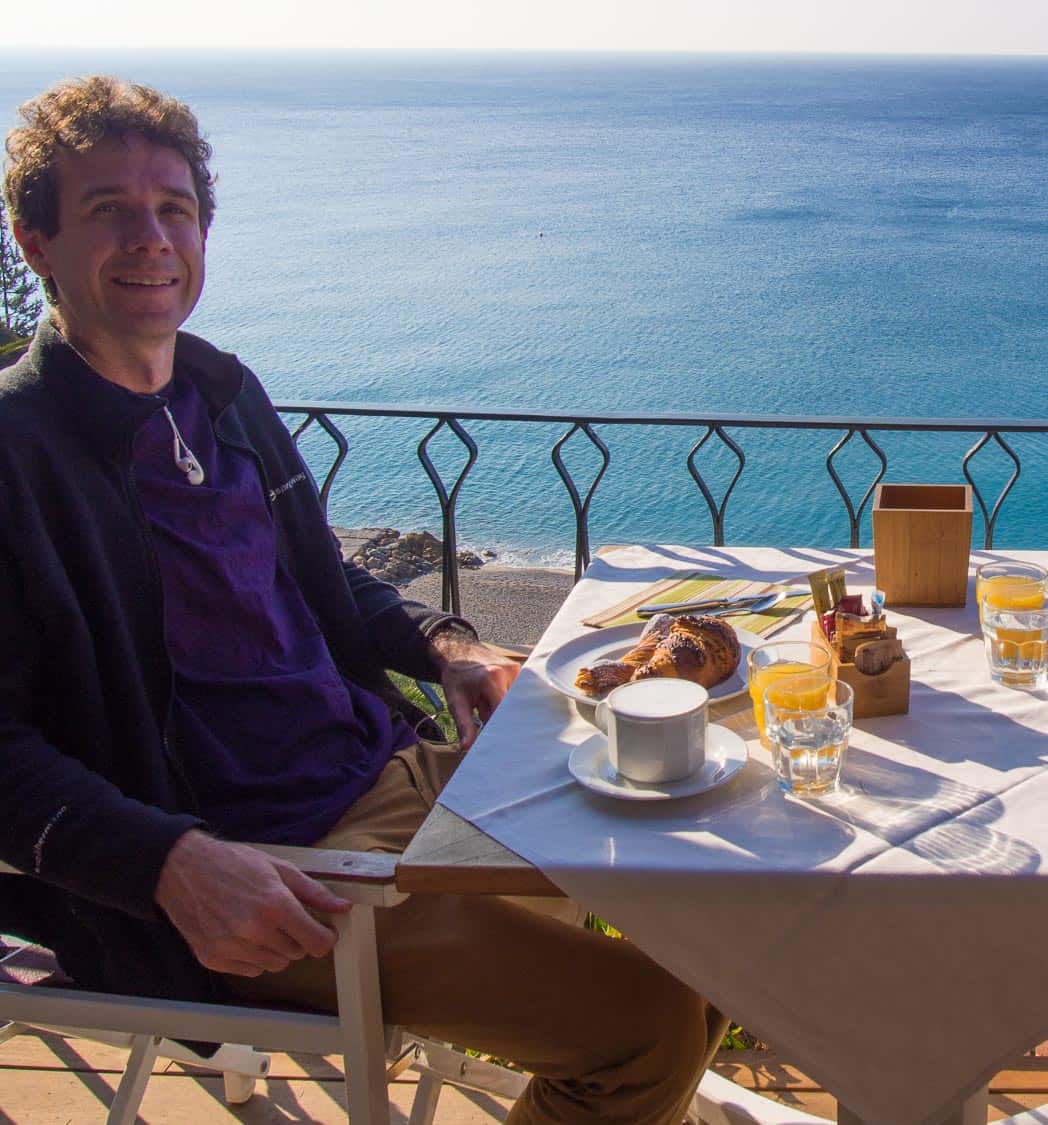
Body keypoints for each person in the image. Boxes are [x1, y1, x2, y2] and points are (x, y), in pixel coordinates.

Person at [1, 75, 724, 1123]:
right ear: (36, 242)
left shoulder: (221, 394)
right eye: (107, 209)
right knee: (646, 1030)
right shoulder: (19, 458)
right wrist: (167, 864)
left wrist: (447, 646)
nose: (150, 237)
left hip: (390, 769)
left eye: (174, 209)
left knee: (708, 902)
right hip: (264, 873)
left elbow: (314, 577)